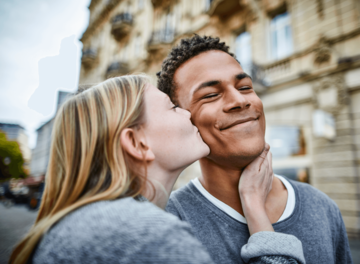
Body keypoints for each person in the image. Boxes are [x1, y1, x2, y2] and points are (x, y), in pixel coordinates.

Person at [10, 75, 304, 264]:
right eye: (172, 107)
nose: (188, 112)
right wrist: (254, 206)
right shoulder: (143, 235)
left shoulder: (88, 222)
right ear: (138, 143)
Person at [157, 35, 353, 264]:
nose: (239, 100)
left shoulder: (321, 205)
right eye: (210, 95)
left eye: (245, 87)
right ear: (182, 122)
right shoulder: (167, 223)